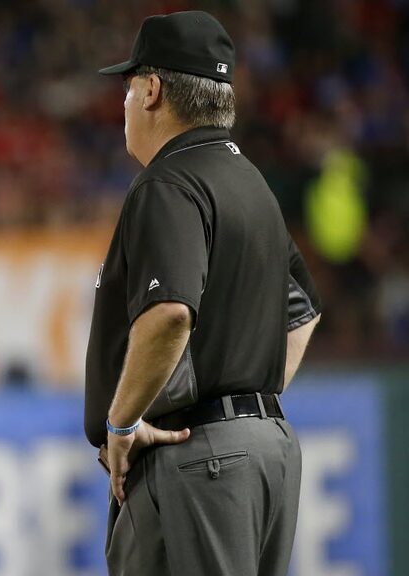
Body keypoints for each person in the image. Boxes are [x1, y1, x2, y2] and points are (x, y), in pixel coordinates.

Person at [84, 11, 322, 576]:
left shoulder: (170, 181)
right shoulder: (250, 182)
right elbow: (303, 314)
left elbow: (168, 314)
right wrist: (248, 395)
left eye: (128, 86)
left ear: (153, 90)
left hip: (198, 454)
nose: (124, 102)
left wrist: (123, 422)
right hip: (266, 448)